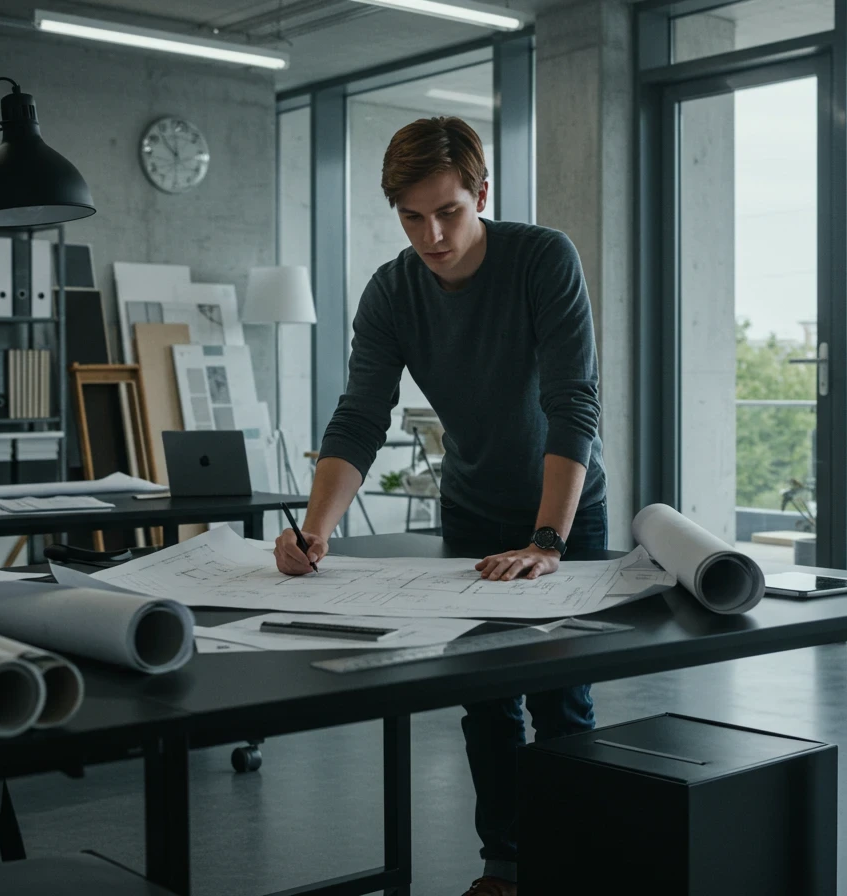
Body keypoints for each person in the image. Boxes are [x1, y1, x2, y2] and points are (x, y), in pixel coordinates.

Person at [274, 116, 607, 896]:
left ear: (480, 194)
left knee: (561, 696)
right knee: (486, 703)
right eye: (412, 216)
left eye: (448, 212)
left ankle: (572, 864)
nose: (432, 234)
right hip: (471, 510)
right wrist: (314, 532)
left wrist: (547, 538)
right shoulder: (391, 292)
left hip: (561, 506)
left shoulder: (543, 259)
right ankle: (506, 865)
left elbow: (573, 405)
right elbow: (359, 418)